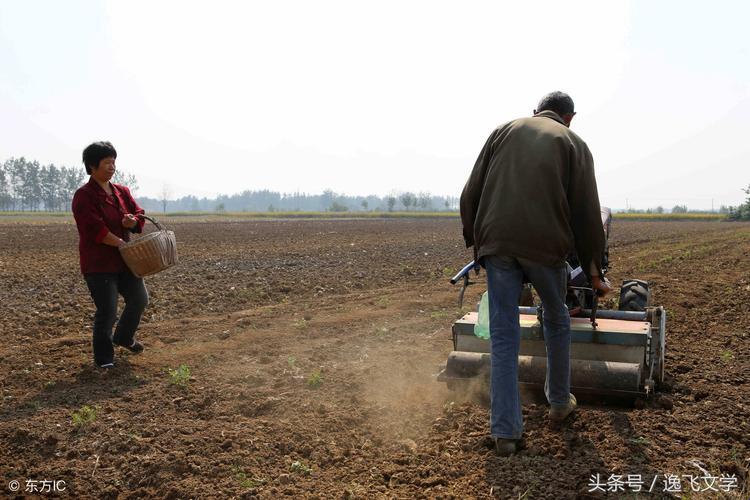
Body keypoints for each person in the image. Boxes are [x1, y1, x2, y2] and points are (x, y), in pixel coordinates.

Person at [459, 92, 611, 456]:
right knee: (557, 318)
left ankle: (505, 433)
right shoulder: (574, 143)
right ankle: (559, 401)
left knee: (504, 334)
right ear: (570, 117)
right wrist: (594, 271)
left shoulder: (502, 131)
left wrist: (477, 242)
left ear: (536, 111)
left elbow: (470, 194)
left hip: (497, 243)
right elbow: (589, 214)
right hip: (546, 246)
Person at [72, 141, 149, 369]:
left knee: (140, 298)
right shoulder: (84, 196)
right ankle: (104, 359)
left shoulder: (121, 192)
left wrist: (132, 221)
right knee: (107, 311)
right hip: (99, 264)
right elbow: (95, 229)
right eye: (107, 162)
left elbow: (138, 214)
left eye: (113, 162)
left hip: (126, 262)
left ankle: (124, 337)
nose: (112, 167)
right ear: (92, 166)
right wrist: (121, 244)